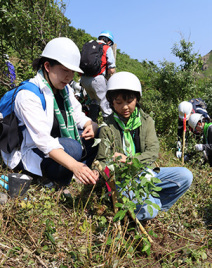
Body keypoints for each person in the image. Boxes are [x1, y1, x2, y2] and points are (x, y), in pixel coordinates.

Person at [1, 37, 99, 186]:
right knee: (73, 148)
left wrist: (91, 124)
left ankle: (80, 175)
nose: (69, 77)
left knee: (95, 135)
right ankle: (56, 178)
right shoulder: (28, 95)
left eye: (72, 72)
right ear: (47, 66)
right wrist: (74, 165)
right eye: (65, 70)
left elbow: (77, 114)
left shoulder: (64, 90)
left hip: (53, 144)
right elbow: (43, 141)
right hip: (29, 151)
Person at [96, 72, 193, 221]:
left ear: (137, 98)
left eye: (130, 100)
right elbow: (103, 159)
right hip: (124, 179)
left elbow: (152, 152)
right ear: (111, 102)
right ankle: (144, 210)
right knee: (148, 211)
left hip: (145, 171)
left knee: (185, 176)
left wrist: (129, 160)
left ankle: (152, 206)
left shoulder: (146, 121)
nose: (125, 107)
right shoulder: (107, 127)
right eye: (119, 102)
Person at [80, 30, 116, 122]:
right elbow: (111, 69)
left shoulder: (89, 46)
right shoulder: (107, 48)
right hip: (97, 79)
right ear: (109, 41)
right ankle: (108, 127)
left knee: (94, 101)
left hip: (84, 79)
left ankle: (92, 124)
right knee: (105, 105)